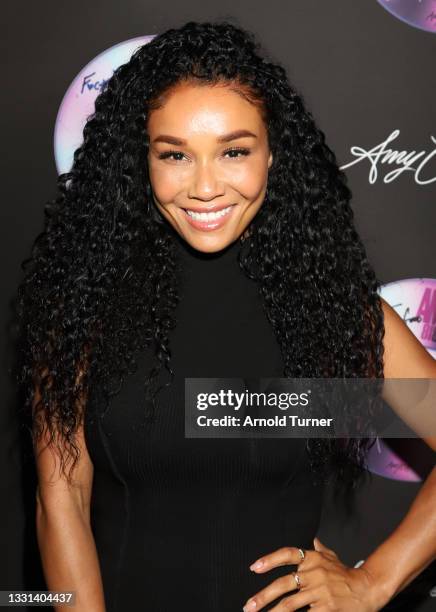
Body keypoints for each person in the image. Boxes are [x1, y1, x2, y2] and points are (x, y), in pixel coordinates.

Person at [14, 20, 436, 612]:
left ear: (273, 156)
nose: (205, 186)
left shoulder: (331, 308)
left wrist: (375, 581)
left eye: (233, 151)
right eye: (176, 155)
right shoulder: (84, 303)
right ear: (143, 162)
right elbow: (59, 502)